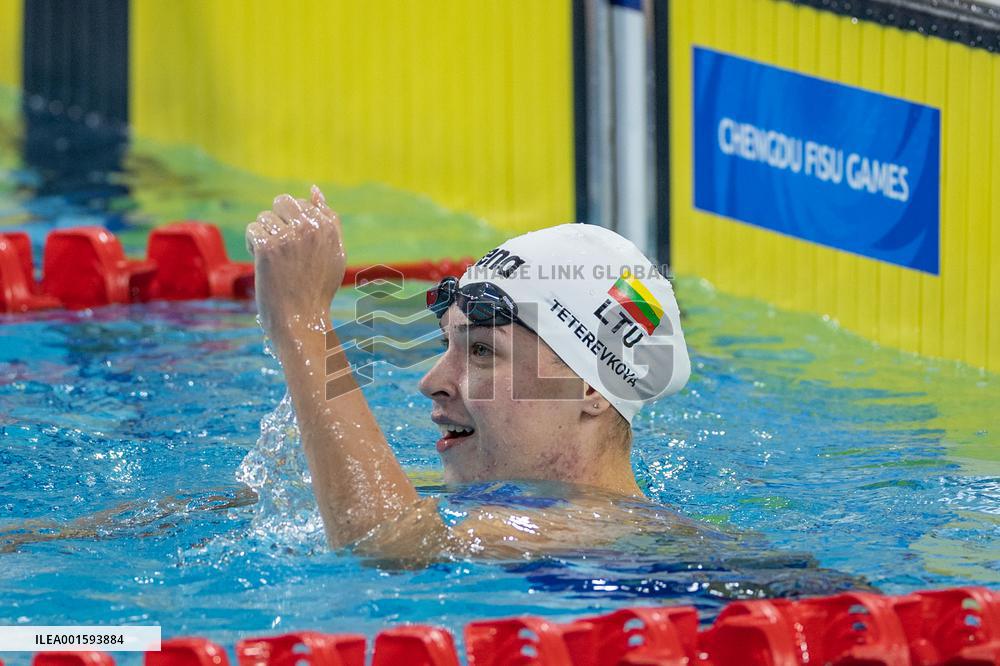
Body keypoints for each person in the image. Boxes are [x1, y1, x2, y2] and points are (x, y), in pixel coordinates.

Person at [245, 186, 691, 559]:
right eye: (447, 345)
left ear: (592, 388)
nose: (431, 383)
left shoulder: (610, 529)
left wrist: (301, 322)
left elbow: (388, 549)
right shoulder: (497, 501)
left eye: (481, 350)